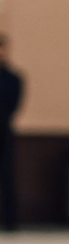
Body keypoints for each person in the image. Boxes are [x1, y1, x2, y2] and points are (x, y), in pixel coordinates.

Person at [0, 29, 21, 230]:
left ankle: (9, 221)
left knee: (7, 176)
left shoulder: (13, 78)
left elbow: (14, 104)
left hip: (4, 129)